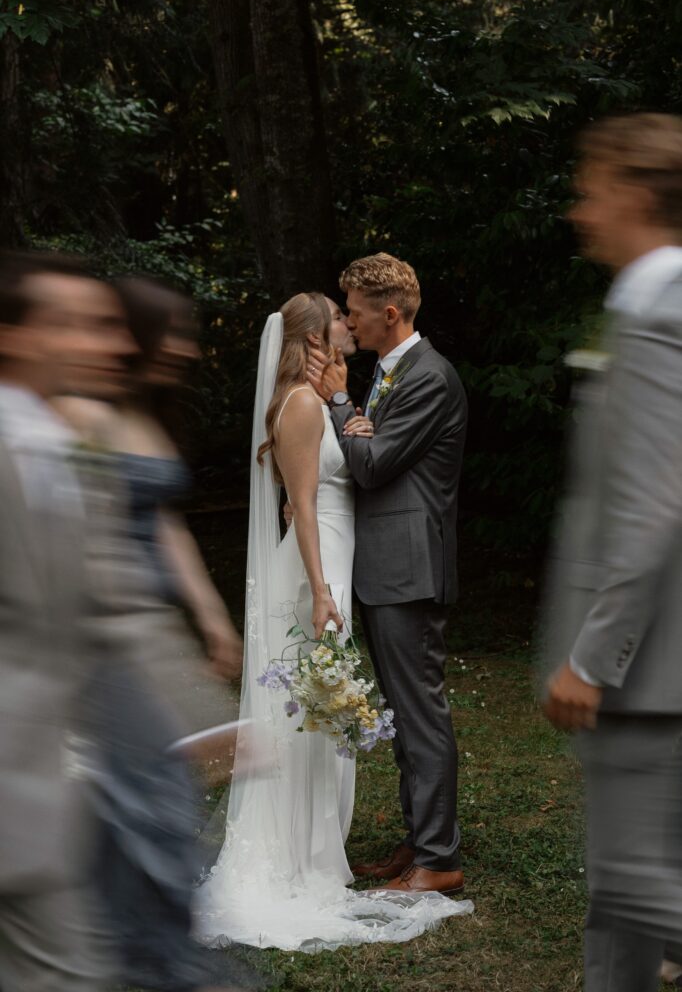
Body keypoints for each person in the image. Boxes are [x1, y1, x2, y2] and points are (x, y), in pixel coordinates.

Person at [194, 291, 472, 952]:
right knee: (312, 714)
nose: (350, 325)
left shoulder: (324, 402)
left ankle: (319, 853)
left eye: (354, 315)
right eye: (339, 319)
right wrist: (320, 589)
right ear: (316, 339)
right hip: (324, 571)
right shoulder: (299, 404)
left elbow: (336, 482)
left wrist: (356, 427)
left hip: (344, 562)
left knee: (323, 716)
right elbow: (306, 508)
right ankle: (296, 856)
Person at [54, 275, 251, 992]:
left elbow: (167, 525)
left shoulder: (148, 417)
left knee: (164, 804)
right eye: (172, 331)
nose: (186, 347)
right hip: (106, 637)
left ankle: (148, 948)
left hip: (151, 627)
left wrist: (209, 615)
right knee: (145, 804)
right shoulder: (81, 416)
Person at [541, 113, 682, 992]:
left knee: (633, 882)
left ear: (633, 194)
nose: (579, 210)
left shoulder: (657, 314)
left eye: (590, 188)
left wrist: (592, 657)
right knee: (617, 895)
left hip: (644, 670)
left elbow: (650, 506)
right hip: (657, 662)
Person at [307, 253, 468, 896]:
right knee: (404, 713)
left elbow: (371, 466)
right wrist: (358, 421)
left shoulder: (429, 376)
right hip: (386, 565)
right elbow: (367, 449)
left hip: (409, 566)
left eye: (353, 310)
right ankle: (418, 841)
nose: (348, 319)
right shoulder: (389, 372)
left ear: (389, 312)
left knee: (420, 713)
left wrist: (341, 402)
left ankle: (439, 858)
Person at [0, 249, 135, 992]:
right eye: (75, 325)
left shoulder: (78, 445)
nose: (107, 344)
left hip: (40, 787)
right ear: (15, 336)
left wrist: (199, 722)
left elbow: (111, 610)